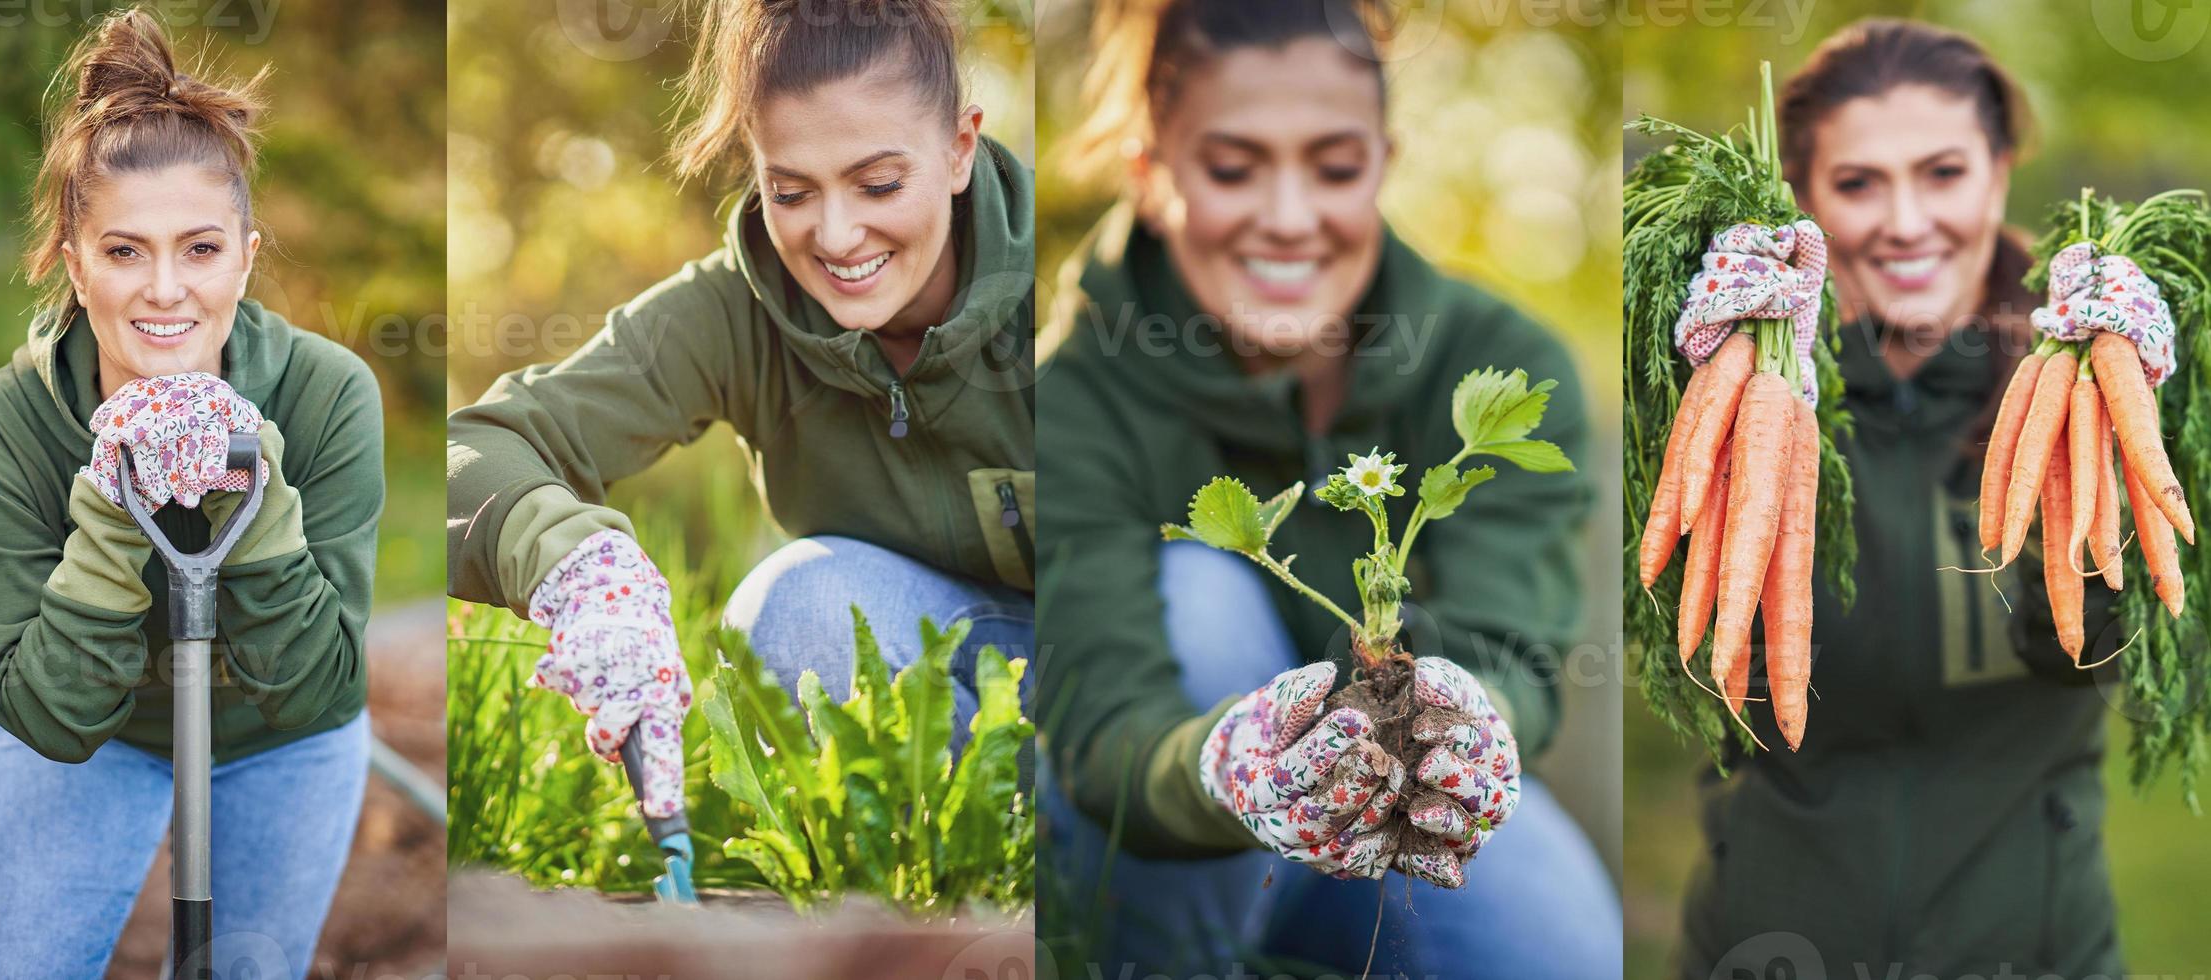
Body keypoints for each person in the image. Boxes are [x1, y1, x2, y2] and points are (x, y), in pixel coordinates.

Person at [1034, 1, 1613, 976]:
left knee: (1558, 945)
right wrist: (1231, 770)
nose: (1291, 217)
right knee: (1202, 592)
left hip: (1399, 827)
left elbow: (1512, 649)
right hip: (1175, 842)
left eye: (1335, 167)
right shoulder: (1075, 392)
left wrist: (1470, 716)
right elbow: (1106, 729)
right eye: (1233, 167)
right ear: (1151, 172)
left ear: (1384, 159)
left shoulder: (1498, 364)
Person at [445, 0, 1035, 817]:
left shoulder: (1073, 292)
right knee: (796, 607)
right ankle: (924, 892)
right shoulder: (735, 312)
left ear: (960, 148)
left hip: (1121, 680)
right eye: (791, 191)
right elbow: (475, 448)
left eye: (879, 184)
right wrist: (577, 568)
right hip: (950, 690)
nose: (836, 236)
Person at [0, 10, 384, 977]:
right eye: (126, 251)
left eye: (201, 249)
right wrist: (105, 507)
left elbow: (324, 687)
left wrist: (255, 497)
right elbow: (45, 720)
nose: (166, 291)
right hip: (87, 743)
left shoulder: (328, 394)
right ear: (74, 264)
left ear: (248, 256)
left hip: (278, 737)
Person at [1677, 19, 2124, 977]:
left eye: (1944, 172)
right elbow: (1684, 660)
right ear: (1803, 206)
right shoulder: (1743, 409)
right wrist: (1684, 385)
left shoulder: (2082, 394)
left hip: (2035, 953)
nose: (1907, 221)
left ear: (2000, 173)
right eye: (1858, 183)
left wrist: (2120, 427)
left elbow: (2110, 652)